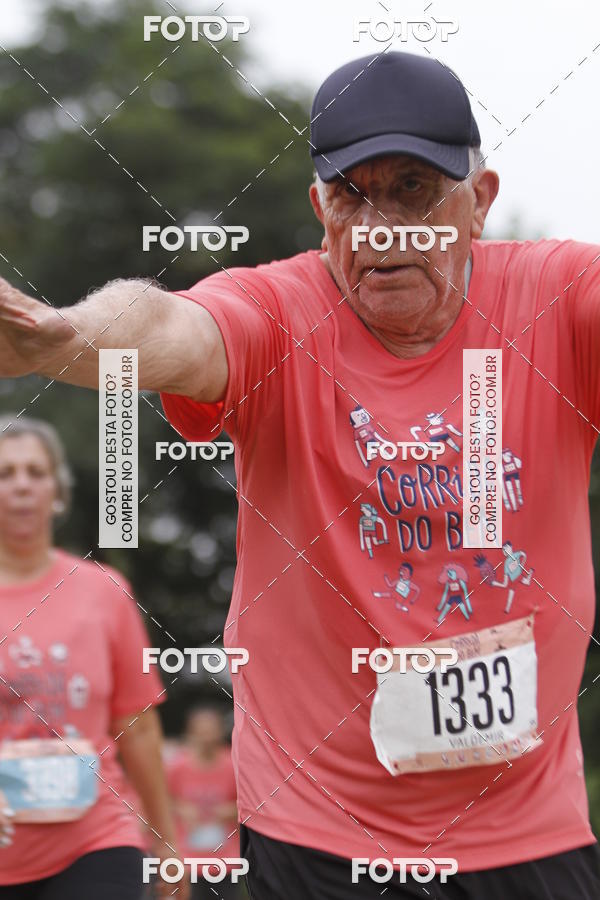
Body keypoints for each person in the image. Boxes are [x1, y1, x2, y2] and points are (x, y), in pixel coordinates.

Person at [0, 48, 599, 898]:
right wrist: (64, 337)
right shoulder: (278, 312)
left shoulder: (558, 298)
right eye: (352, 194)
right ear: (320, 211)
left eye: (414, 190)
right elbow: (168, 327)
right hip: (318, 841)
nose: (381, 227)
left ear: (480, 202)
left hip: (526, 837)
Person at [0, 416, 186, 899]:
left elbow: (137, 725)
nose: (22, 485)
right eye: (5, 473)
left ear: (57, 492)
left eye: (36, 472)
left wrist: (166, 841)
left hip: (98, 840)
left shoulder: (104, 590)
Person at [167, 707, 243, 899]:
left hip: (226, 862)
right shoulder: (176, 767)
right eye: (201, 732)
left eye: (210, 731)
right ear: (190, 733)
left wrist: (232, 810)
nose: (206, 738)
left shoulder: (234, 764)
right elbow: (159, 802)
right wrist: (179, 808)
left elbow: (252, 804)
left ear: (220, 732)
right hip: (186, 861)